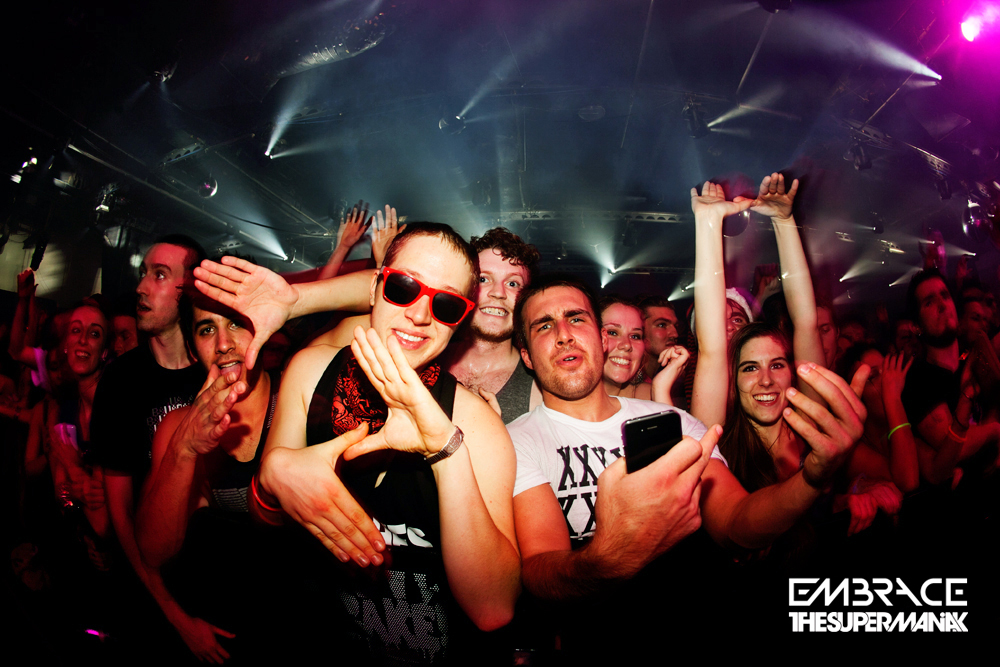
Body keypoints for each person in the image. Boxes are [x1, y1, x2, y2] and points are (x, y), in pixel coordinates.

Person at [249, 224, 519, 662]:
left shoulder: (478, 425)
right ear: (376, 287)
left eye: (447, 304)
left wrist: (446, 451)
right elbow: (264, 525)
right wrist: (271, 480)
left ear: (460, 320)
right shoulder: (309, 373)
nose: (420, 315)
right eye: (404, 287)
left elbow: (493, 609)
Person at [508, 276, 867, 601]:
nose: (564, 334)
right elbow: (539, 570)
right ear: (527, 356)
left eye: (576, 318)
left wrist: (810, 479)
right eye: (544, 326)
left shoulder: (674, 423)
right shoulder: (517, 441)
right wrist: (609, 557)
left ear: (601, 340)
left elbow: (736, 523)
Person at [88, 235, 228, 663]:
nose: (141, 287)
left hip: (215, 590)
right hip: (150, 598)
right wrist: (174, 615)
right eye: (144, 273)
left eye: (160, 275)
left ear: (189, 292)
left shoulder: (216, 371)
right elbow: (120, 513)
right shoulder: (120, 381)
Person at [900, 269, 1000, 483]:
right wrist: (994, 430)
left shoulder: (973, 361)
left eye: (945, 296)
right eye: (929, 302)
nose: (942, 305)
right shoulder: (918, 379)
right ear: (917, 327)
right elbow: (953, 446)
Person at [599, 294, 688, 404]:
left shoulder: (651, 396)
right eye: (612, 333)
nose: (627, 345)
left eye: (635, 336)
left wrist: (660, 389)